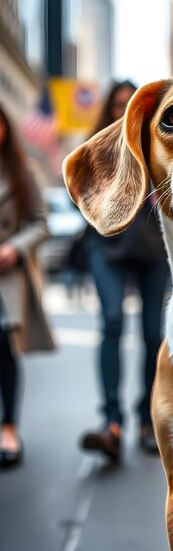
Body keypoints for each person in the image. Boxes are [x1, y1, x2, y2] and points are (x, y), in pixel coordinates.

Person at [80, 81, 170, 463]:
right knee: (112, 322)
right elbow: (77, 196)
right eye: (117, 105)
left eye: (129, 105)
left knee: (153, 334)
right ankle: (112, 424)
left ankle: (148, 422)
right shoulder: (98, 149)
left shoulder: (160, 144)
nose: (123, 111)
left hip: (154, 251)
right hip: (108, 248)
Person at [0, 104, 55, 469]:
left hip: (6, 278)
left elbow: (41, 224)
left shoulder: (23, 172)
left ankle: (8, 427)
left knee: (4, 350)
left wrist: (14, 248)